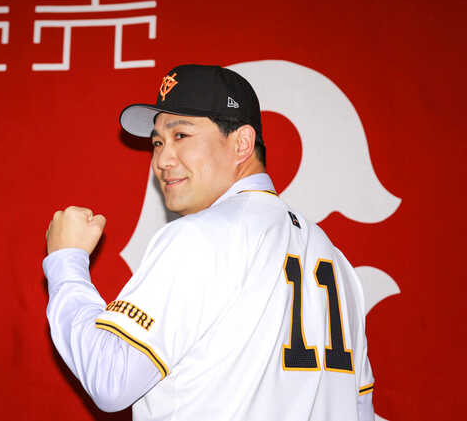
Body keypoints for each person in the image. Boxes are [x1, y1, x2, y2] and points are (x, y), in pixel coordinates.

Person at [43, 64, 375, 420]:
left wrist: (66, 261)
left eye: (181, 135)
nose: (161, 160)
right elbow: (361, 409)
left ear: (242, 143)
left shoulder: (199, 236)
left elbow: (111, 378)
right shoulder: (335, 260)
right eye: (157, 143)